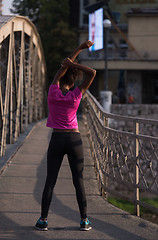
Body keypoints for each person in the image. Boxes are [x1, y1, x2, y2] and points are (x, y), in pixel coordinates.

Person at [35, 40, 96, 231]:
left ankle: (43, 220)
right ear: (74, 81)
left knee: (50, 180)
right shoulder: (77, 94)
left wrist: (74, 54)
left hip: (57, 139)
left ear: (60, 79)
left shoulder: (53, 91)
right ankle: (84, 221)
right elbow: (92, 73)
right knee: (78, 181)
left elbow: (63, 65)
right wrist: (74, 64)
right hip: (74, 140)